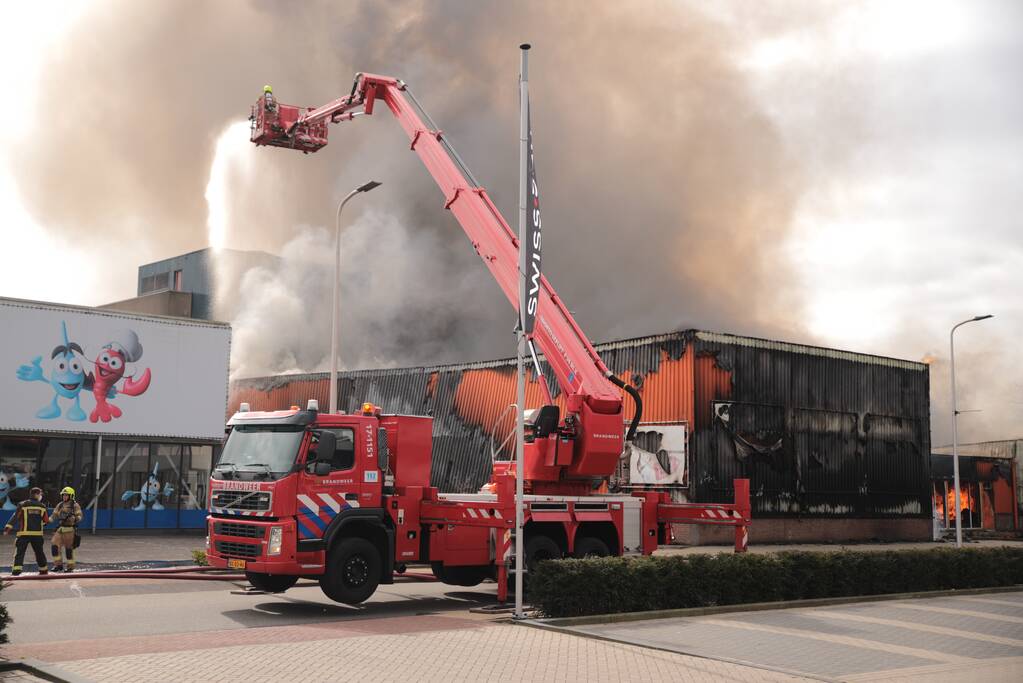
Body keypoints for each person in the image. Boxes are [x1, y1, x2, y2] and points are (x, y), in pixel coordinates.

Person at [3, 487, 49, 576]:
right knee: (39, 553)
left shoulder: (22, 505)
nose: (41, 496)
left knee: (20, 553)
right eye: (40, 494)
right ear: (36, 494)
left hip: (23, 534)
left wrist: (7, 529)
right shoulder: (42, 506)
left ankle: (16, 571)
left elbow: (15, 517)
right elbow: (46, 521)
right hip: (37, 535)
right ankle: (43, 570)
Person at [50, 486, 82, 572]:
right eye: (63, 495)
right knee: (54, 547)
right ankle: (58, 565)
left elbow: (80, 516)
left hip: (70, 530)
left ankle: (70, 567)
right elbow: (54, 515)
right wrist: (47, 521)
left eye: (66, 495)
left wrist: (74, 518)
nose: (64, 497)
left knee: (69, 550)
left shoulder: (75, 505)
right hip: (60, 529)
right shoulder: (60, 505)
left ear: (71, 496)